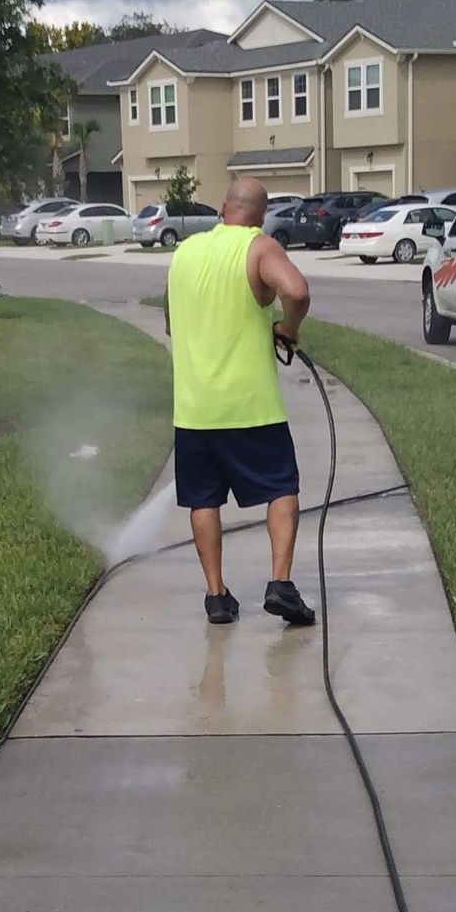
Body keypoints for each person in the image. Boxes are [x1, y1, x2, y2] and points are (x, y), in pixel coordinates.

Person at [163, 173, 315, 627]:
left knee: (203, 500)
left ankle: (216, 596)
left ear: (223, 208)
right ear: (261, 216)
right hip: (252, 409)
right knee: (281, 488)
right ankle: (280, 584)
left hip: (194, 411)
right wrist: (288, 329)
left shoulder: (184, 253)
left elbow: (171, 325)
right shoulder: (259, 247)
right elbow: (298, 291)